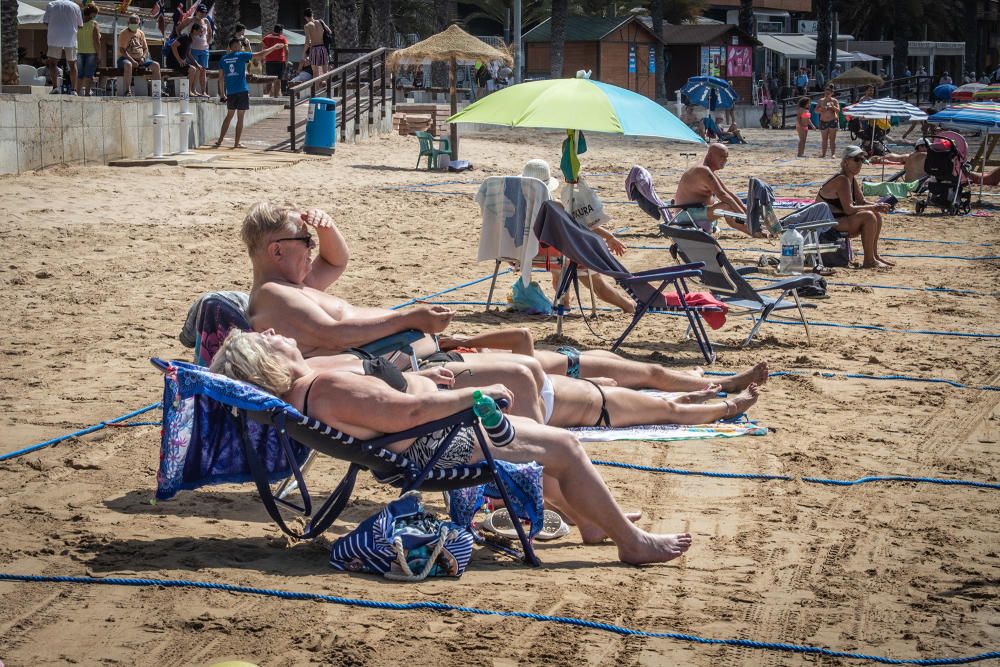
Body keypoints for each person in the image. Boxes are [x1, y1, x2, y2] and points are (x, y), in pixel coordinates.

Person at [239, 202, 769, 420]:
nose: (312, 248)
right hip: (417, 369)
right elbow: (335, 334)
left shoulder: (298, 280)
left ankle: (704, 384)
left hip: (426, 356)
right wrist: (412, 317)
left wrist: (324, 227)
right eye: (301, 240)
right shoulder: (275, 296)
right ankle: (702, 404)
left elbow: (339, 259)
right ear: (274, 250)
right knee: (579, 387)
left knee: (587, 359)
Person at [211, 328, 695, 564]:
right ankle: (632, 545)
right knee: (564, 445)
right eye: (263, 339)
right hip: (441, 445)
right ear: (263, 363)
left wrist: (420, 379)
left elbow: (393, 407)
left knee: (554, 445)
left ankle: (592, 521)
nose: (272, 332)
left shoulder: (308, 391)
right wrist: (474, 395)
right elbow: (410, 415)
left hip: (423, 442)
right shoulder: (328, 390)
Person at [815, 146, 893, 269]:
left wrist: (877, 206)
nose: (860, 163)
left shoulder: (850, 178)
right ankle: (869, 260)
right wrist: (874, 207)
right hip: (826, 225)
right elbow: (849, 209)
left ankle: (874, 256)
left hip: (835, 219)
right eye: (857, 159)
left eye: (862, 159)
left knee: (875, 214)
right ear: (846, 161)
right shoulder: (842, 180)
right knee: (868, 216)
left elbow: (861, 201)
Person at [215, 37, 286, 148]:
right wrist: (274, 47)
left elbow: (220, 78)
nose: (241, 47)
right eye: (239, 45)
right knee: (240, 118)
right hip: (242, 90)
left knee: (229, 116)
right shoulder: (241, 55)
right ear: (234, 46)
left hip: (230, 92)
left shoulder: (223, 59)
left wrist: (222, 94)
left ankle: (219, 141)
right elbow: (261, 54)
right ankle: (236, 143)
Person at [672, 144, 750, 235]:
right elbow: (723, 195)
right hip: (685, 213)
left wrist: (745, 210)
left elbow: (727, 192)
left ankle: (753, 230)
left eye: (726, 157)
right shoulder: (702, 170)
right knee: (727, 206)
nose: (725, 160)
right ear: (710, 156)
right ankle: (751, 229)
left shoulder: (707, 168)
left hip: (698, 210)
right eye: (722, 157)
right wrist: (744, 216)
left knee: (731, 206)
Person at [43, 0, 83, 95]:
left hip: (54, 37)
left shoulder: (51, 4)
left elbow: (46, 22)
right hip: (70, 37)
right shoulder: (76, 6)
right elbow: (80, 25)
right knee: (72, 64)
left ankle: (55, 87)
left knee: (52, 64)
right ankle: (73, 90)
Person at [116, 15, 160, 97]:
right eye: (132, 22)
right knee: (128, 65)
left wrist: (143, 58)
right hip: (125, 58)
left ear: (139, 23)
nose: (134, 24)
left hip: (140, 58)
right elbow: (122, 50)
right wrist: (132, 61)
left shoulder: (141, 33)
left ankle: (157, 90)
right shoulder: (123, 33)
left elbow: (145, 48)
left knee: (156, 65)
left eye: (135, 23)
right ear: (128, 23)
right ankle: (127, 91)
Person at [181, 4, 212, 97]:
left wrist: (208, 42)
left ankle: (203, 92)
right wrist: (183, 42)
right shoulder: (191, 20)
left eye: (205, 12)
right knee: (195, 70)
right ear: (197, 11)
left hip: (204, 49)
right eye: (201, 12)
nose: (203, 14)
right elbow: (178, 29)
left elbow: (210, 31)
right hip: (193, 49)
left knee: (203, 71)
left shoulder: (206, 21)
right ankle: (192, 90)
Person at [164, 22, 201, 97]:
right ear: (194, 30)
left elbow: (189, 54)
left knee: (198, 69)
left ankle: (193, 90)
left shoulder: (190, 40)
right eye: (200, 31)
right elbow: (173, 46)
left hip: (180, 62)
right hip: (173, 62)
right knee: (192, 69)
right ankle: (188, 91)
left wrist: (197, 64)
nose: (201, 33)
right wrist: (179, 59)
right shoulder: (185, 37)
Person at [75, 4, 100, 96]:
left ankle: (76, 92)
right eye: (96, 14)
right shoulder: (94, 24)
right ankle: (87, 93)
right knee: (89, 75)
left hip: (79, 52)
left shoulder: (78, 23)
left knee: (80, 74)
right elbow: (96, 41)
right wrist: (99, 54)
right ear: (92, 14)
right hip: (91, 53)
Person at [303, 8, 331, 80]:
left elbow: (307, 42)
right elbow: (329, 31)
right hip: (323, 48)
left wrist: (304, 53)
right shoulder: (320, 22)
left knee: (315, 73)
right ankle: (328, 88)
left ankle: (316, 90)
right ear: (312, 14)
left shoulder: (307, 26)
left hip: (314, 49)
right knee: (325, 71)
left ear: (305, 17)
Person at [262, 24, 289, 97]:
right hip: (280, 61)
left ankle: (268, 96)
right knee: (278, 80)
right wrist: (286, 61)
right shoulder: (282, 38)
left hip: (269, 62)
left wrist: (263, 59)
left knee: (269, 79)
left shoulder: (266, 38)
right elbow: (286, 50)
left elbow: (263, 49)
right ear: (280, 31)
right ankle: (276, 97)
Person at [816, 85, 841, 158]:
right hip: (823, 121)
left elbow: (838, 111)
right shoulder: (821, 100)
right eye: (825, 93)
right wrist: (821, 109)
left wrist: (833, 107)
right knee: (824, 139)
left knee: (832, 139)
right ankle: (823, 154)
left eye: (828, 93)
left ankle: (833, 154)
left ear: (831, 93)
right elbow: (815, 110)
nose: (826, 94)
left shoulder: (834, 100)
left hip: (832, 121)